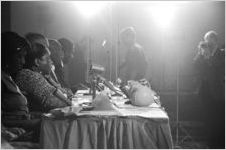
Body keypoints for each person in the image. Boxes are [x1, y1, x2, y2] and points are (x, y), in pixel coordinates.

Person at [1, 31, 41, 141]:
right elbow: (3, 121)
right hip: (11, 137)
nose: (23, 61)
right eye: (19, 57)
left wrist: (39, 116)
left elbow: (21, 113)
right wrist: (34, 123)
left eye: (24, 57)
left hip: (21, 131)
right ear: (6, 56)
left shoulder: (8, 77)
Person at [15, 43, 71, 112]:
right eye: (47, 58)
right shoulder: (28, 75)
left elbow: (63, 92)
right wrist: (69, 101)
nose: (51, 61)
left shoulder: (42, 75)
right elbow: (53, 103)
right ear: (37, 62)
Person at [194, 30, 225, 148]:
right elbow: (195, 65)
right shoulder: (203, 53)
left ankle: (219, 144)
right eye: (205, 40)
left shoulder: (222, 53)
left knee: (218, 118)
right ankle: (210, 144)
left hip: (218, 92)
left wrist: (209, 56)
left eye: (209, 40)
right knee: (208, 118)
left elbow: (218, 67)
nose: (207, 43)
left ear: (215, 41)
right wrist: (200, 52)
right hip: (205, 91)